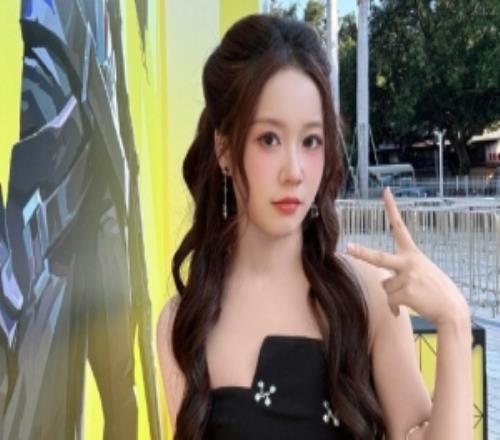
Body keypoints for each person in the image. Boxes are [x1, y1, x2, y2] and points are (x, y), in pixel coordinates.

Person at [157, 13, 472, 440]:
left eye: (311, 141)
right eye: (269, 139)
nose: (294, 171)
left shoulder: (366, 297)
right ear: (225, 149)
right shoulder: (184, 323)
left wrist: (454, 322)